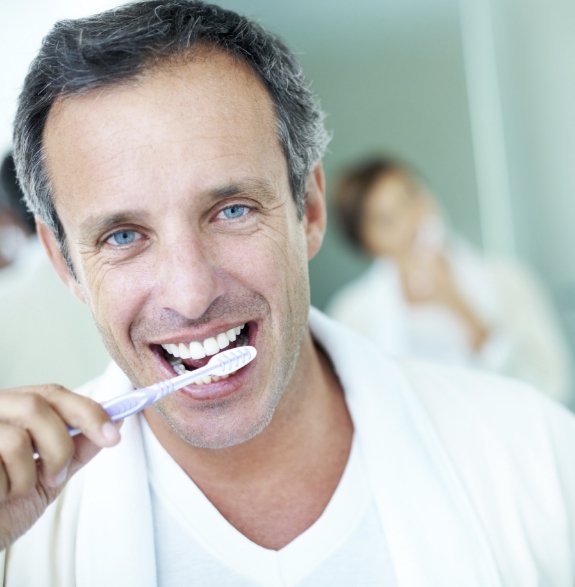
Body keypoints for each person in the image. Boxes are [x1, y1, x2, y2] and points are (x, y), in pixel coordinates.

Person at [1, 2, 575, 585]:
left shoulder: (539, 461)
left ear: (310, 209)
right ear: (64, 262)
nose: (191, 294)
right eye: (123, 236)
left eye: (231, 210)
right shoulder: (15, 543)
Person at [326, 154, 573, 404]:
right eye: (387, 220)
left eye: (411, 196)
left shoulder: (508, 280)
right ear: (367, 244)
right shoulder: (353, 316)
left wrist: (457, 304)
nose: (412, 218)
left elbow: (552, 385)